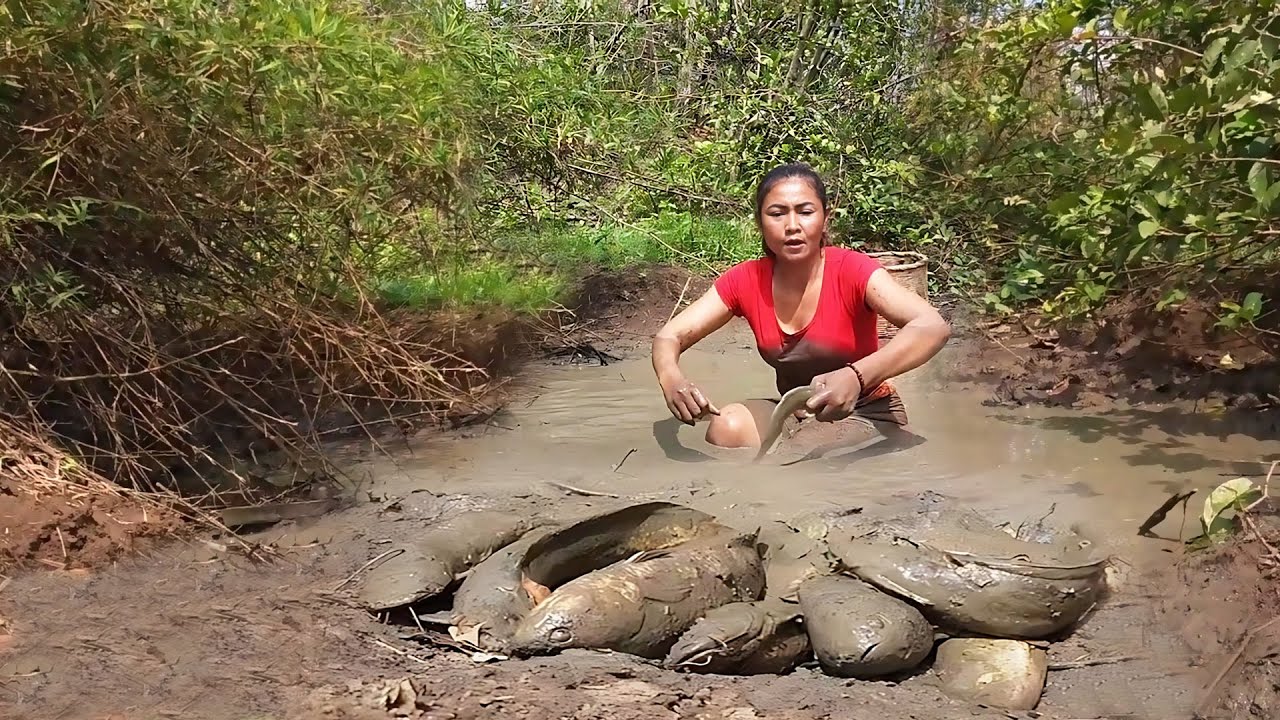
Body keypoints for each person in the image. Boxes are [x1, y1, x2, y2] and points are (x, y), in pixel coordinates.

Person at [650, 162, 951, 450]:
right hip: (796, 411)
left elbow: (932, 326)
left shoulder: (852, 270)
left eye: (805, 212)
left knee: (806, 452)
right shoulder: (746, 280)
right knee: (726, 428)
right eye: (777, 214)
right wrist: (671, 379)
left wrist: (856, 377)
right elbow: (669, 337)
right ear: (759, 222)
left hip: (865, 409)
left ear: (825, 218)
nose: (792, 226)